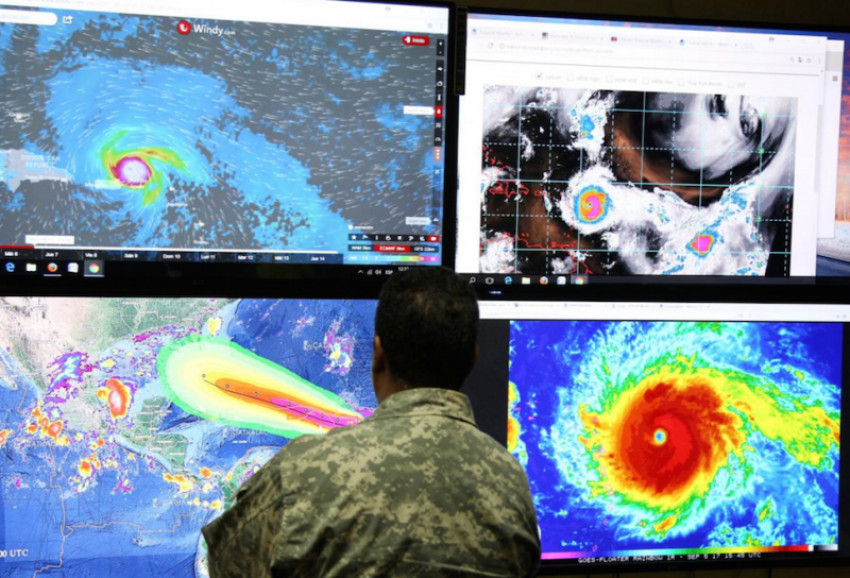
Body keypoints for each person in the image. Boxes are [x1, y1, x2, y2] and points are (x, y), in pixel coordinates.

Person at [202, 267, 541, 577]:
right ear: (472, 359)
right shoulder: (511, 484)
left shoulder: (302, 472)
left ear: (378, 354)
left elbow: (228, 567)